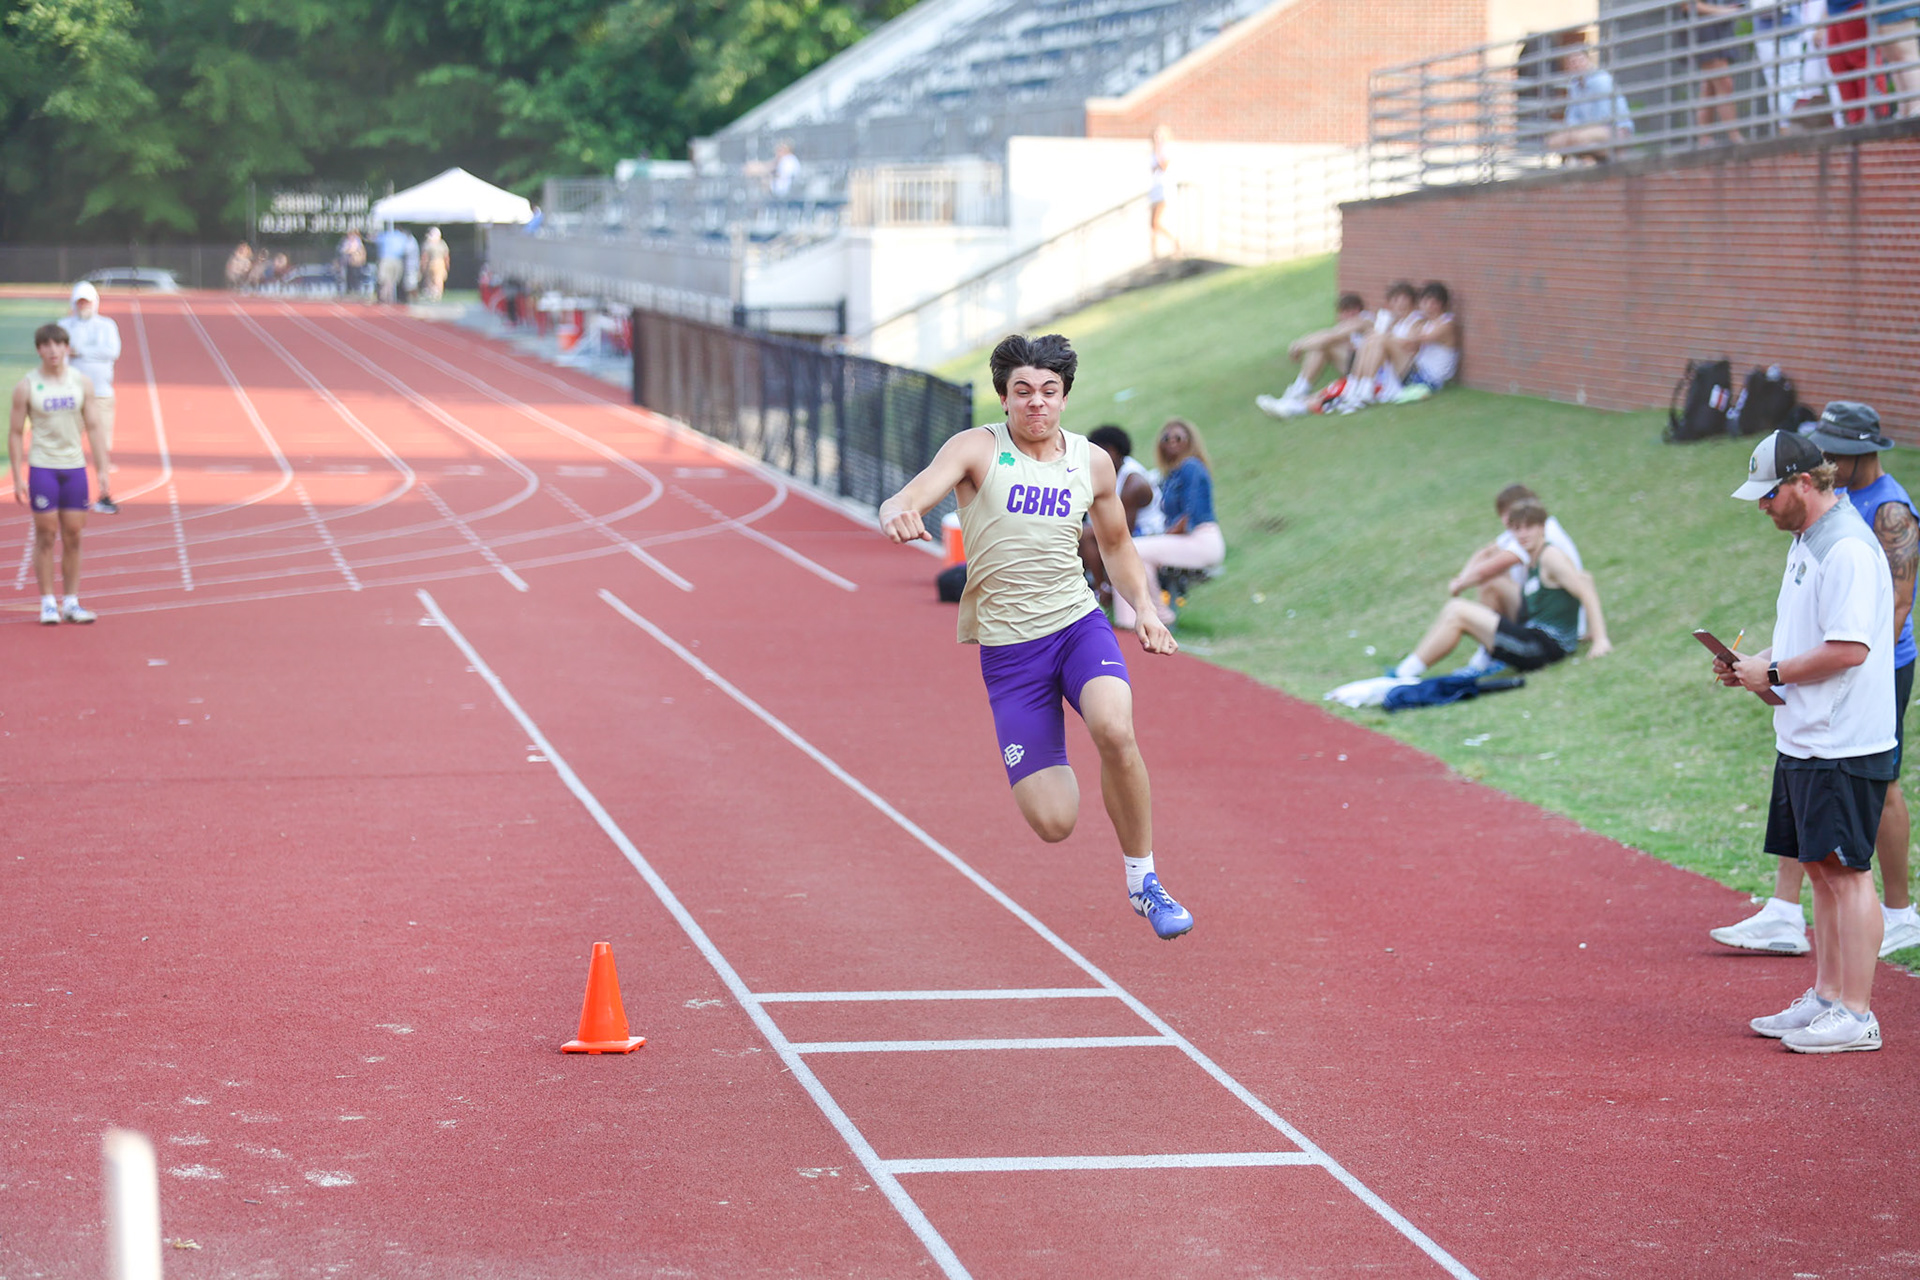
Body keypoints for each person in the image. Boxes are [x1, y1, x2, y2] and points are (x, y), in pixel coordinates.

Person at [877, 333, 1194, 941]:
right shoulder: (976, 450)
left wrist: (1146, 611)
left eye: (1049, 392)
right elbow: (914, 491)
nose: (1036, 404)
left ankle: (1144, 881)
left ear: (1065, 397)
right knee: (1055, 821)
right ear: (1003, 399)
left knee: (1114, 728)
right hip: (1011, 654)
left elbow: (1118, 544)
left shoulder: (1091, 462)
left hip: (1077, 626)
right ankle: (1051, 757)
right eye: (1023, 392)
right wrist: (897, 509)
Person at [1711, 403, 1920, 957]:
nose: (1762, 505)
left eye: (1769, 494)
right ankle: (1810, 958)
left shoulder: (1876, 522)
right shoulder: (1810, 534)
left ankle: (1891, 930)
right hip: (1817, 710)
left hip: (1856, 703)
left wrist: (1780, 670)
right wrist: (1762, 667)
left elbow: (1861, 638)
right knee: (1822, 861)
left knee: (1855, 847)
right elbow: (1816, 628)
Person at [1387, 499, 1611, 681]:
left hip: (1544, 648)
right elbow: (1485, 553)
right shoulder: (1533, 559)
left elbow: (1586, 587)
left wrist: (1600, 639)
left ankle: (1403, 674)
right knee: (1484, 590)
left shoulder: (1550, 556)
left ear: (1542, 527)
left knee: (1457, 611)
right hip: (1535, 636)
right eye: (1517, 529)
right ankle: (1408, 670)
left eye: (1529, 527)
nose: (1523, 534)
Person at [9, 324, 108, 624]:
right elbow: (14, 432)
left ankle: (72, 602)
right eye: (46, 345)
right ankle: (48, 602)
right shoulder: (27, 385)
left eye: (58, 345)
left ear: (67, 348)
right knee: (47, 534)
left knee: (74, 535)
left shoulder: (81, 383)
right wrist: (17, 475)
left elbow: (93, 426)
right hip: (43, 467)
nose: (53, 351)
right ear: (39, 349)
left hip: (74, 468)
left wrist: (102, 469)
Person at [1447, 484, 1587, 672]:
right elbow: (1485, 553)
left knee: (1491, 583)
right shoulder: (1523, 530)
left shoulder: (1535, 534)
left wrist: (1460, 585)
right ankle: (1490, 649)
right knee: (1492, 578)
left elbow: (1489, 569)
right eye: (1503, 515)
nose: (1505, 520)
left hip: (1556, 624)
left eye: (1508, 513)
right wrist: (1461, 577)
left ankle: (1487, 653)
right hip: (1542, 610)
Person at [1111, 419, 1223, 629]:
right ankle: (1129, 623)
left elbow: (1189, 514)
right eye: (1166, 438)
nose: (1172, 442)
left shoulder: (1191, 466)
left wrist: (1166, 535)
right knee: (1136, 559)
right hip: (1185, 540)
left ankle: (1158, 613)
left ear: (1190, 441)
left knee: (1130, 549)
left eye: (1178, 438)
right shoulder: (1171, 475)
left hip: (1201, 539)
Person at [1337, 281, 1457, 412]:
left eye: (1433, 302)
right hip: (1416, 371)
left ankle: (1365, 390)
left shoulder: (1445, 324)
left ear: (1441, 304)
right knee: (1372, 339)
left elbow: (1416, 341)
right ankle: (1355, 387)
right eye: (1425, 301)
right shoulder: (1428, 323)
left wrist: (1386, 335)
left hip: (1428, 380)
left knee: (1380, 338)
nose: (1428, 306)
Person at [1256, 292, 1370, 418]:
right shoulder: (1347, 325)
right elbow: (1326, 334)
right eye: (1343, 312)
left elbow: (1331, 337)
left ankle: (1297, 397)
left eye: (1350, 310)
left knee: (1325, 345)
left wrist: (1300, 346)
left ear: (1358, 309)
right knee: (1319, 348)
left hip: (1366, 369)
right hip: (1354, 367)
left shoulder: (1364, 321)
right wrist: (1298, 343)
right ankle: (1297, 393)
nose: (1346, 316)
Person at [1078, 424, 1159, 602]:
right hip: (1118, 530)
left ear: (1114, 451)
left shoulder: (1133, 483)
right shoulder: (1105, 471)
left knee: (1085, 536)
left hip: (1146, 533)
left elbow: (1122, 532)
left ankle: (1103, 591)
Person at [61, 281, 121, 513]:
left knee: (101, 447)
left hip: (101, 395)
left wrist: (81, 351)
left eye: (87, 301)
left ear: (95, 302)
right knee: (69, 445)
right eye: (80, 302)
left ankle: (104, 493)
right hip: (72, 395)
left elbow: (112, 351)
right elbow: (60, 355)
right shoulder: (64, 325)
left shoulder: (107, 325)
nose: (83, 306)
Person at [1546, 45, 1636, 159]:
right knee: (1553, 142)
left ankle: (1614, 156)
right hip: (1587, 131)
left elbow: (1605, 118)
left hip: (1616, 130)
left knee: (1579, 139)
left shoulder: (1601, 80)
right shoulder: (1575, 86)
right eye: (1571, 62)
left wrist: (1576, 132)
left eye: (1579, 60)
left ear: (1588, 60)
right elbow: (1572, 117)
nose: (1576, 64)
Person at [1692, 1, 1747, 144]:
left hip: (1717, 27)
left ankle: (1705, 140)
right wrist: (1721, 11)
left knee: (1709, 87)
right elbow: (1688, 5)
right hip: (1704, 29)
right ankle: (1735, 139)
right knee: (1723, 82)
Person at [1874, 0, 1920, 117]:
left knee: (1906, 55)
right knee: (1894, 59)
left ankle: (1916, 107)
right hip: (1879, 8)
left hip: (1896, 6)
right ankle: (1905, 110)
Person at [1148, 125, 1179, 260]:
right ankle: (1154, 254)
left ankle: (1175, 241)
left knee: (1156, 222)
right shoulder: (1152, 153)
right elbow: (1153, 170)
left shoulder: (1166, 151)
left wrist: (1160, 150)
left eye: (1159, 136)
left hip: (1164, 190)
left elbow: (1163, 166)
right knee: (1152, 224)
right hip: (1155, 190)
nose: (1157, 138)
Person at [375, 225, 418, 304]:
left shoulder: (385, 235)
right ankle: (388, 297)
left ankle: (384, 297)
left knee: (384, 280)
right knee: (392, 281)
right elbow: (406, 249)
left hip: (386, 260)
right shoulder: (402, 237)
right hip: (397, 260)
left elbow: (376, 241)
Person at [420, 228, 451, 302]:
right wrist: (447, 265)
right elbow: (446, 256)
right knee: (437, 279)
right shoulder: (442, 243)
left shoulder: (428, 244)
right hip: (439, 262)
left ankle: (433, 294)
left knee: (432, 279)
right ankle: (437, 294)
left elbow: (425, 256)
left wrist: (422, 265)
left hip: (432, 262)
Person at [339, 229, 368, 295]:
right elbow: (344, 250)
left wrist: (351, 251)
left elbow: (358, 250)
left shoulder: (357, 241)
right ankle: (349, 290)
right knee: (349, 276)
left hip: (356, 262)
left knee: (356, 276)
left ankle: (356, 290)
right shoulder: (346, 241)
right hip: (348, 262)